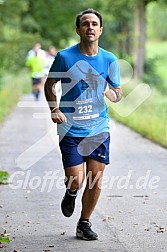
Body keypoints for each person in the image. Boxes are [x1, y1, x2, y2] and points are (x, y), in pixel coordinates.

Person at [44, 8, 122, 240]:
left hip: (98, 127)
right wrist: (54, 108)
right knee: (76, 179)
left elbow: (118, 92)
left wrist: (113, 94)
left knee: (95, 179)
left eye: (94, 24)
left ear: (100, 30)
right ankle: (71, 192)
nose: (90, 27)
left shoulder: (109, 59)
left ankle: (84, 223)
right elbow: (50, 85)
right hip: (70, 127)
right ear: (78, 29)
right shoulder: (65, 57)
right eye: (85, 23)